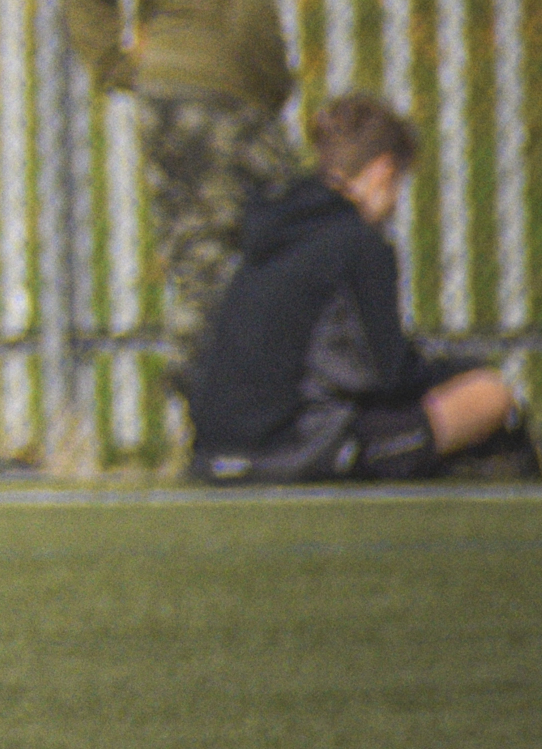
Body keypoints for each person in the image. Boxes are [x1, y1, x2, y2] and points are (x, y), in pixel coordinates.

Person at [66, 0, 306, 386]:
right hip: (227, 96)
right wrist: (272, 84)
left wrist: (120, 68)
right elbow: (253, 3)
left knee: (190, 244)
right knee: (283, 229)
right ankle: (222, 382)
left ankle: (198, 377)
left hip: (162, 99)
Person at [188, 96, 529, 483]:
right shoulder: (359, 245)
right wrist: (459, 371)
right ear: (383, 171)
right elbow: (390, 376)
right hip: (294, 453)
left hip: (213, 456)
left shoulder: (269, 238)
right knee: (488, 394)